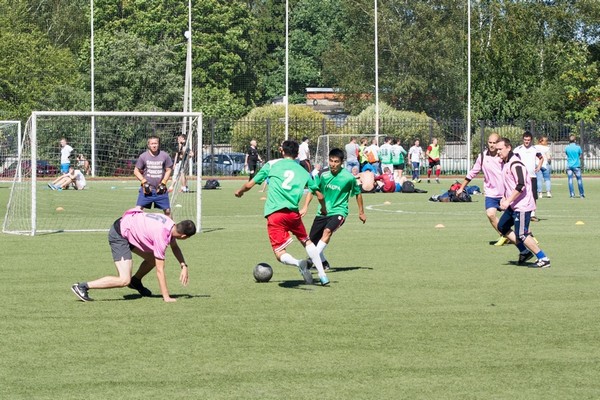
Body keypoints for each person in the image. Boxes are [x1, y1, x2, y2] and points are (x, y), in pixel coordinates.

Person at [234, 140, 330, 286]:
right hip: (293, 214)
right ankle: (322, 275)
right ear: (297, 154)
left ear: (282, 151)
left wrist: (240, 191)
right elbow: (320, 195)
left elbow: (250, 184)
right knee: (307, 241)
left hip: (275, 214)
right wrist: (323, 208)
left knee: (279, 253)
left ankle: (298, 263)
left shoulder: (272, 165)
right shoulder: (304, 172)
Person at [71, 208, 196, 302]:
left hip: (130, 230)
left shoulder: (170, 224)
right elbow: (160, 270)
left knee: (151, 260)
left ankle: (135, 282)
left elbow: (175, 247)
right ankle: (82, 286)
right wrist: (166, 297)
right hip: (120, 234)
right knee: (124, 280)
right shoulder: (161, 235)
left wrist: (183, 265)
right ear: (184, 236)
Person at [301, 148, 366, 271]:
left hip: (339, 211)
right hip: (323, 212)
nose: (333, 164)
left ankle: (311, 261)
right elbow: (312, 190)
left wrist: (361, 212)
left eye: (336, 161)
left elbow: (358, 193)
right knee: (312, 243)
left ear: (342, 162)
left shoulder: (349, 178)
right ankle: (324, 263)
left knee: (327, 232)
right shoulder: (322, 174)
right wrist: (305, 207)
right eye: (331, 161)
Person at [495, 138, 550, 268]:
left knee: (522, 234)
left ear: (508, 148)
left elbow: (521, 185)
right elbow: (509, 184)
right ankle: (524, 252)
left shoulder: (516, 164)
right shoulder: (506, 163)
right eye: (497, 149)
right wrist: (504, 198)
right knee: (502, 226)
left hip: (522, 206)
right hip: (513, 205)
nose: (498, 152)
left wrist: (508, 201)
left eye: (500, 149)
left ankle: (543, 258)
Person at [456, 132, 506, 245]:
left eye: (494, 142)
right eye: (490, 142)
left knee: (516, 216)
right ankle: (504, 235)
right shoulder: (482, 156)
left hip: (505, 193)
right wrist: (461, 187)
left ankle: (528, 236)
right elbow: (473, 172)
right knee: (490, 214)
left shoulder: (503, 156)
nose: (492, 145)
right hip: (491, 193)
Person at [134, 136, 174, 217]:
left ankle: (172, 225)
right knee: (138, 210)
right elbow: (136, 171)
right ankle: (135, 224)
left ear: (159, 144)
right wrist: (143, 181)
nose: (154, 145)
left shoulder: (165, 156)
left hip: (160, 189)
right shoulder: (143, 156)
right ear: (148, 145)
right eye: (152, 144)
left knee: (167, 211)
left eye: (156, 143)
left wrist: (164, 182)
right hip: (147, 189)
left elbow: (168, 170)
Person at [513, 132, 543, 221]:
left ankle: (532, 215)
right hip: (521, 176)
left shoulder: (535, 149)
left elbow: (541, 158)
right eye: (525, 140)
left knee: (533, 195)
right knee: (519, 194)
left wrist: (539, 167)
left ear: (531, 140)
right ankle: (518, 212)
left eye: (528, 140)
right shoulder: (518, 149)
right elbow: (513, 160)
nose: (527, 142)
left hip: (532, 176)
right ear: (523, 140)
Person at [565, 134, 585, 198]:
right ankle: (581, 194)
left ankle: (572, 194)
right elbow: (580, 155)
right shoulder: (578, 147)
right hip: (576, 165)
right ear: (575, 140)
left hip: (569, 166)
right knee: (579, 180)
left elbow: (567, 154)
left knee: (570, 180)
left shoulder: (567, 147)